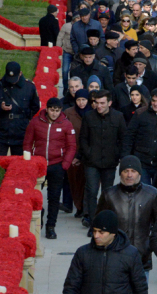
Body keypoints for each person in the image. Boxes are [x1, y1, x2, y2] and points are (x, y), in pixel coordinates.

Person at [96, 156, 157, 278]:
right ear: (120, 173)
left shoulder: (151, 194)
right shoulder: (109, 195)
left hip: (142, 258)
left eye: (133, 171)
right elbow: (98, 225)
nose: (129, 175)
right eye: (125, 171)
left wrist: (150, 245)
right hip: (114, 257)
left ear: (139, 174)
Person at [23, 97, 77, 239]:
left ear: (61, 111)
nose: (54, 113)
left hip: (57, 165)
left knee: (54, 198)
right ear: (47, 109)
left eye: (57, 111)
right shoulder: (35, 123)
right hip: (37, 164)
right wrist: (29, 161)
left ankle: (50, 226)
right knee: (35, 195)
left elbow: (71, 147)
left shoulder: (66, 124)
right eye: (52, 110)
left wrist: (64, 164)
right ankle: (38, 214)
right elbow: (27, 143)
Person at [63, 210, 148, 294]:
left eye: (101, 232)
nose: (96, 236)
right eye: (94, 231)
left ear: (113, 233)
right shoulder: (82, 253)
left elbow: (140, 287)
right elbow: (71, 286)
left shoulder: (131, 254)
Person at [79, 89, 127, 231]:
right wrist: (88, 153)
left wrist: (118, 154)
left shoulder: (118, 117)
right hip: (91, 161)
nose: (99, 106)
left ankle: (104, 224)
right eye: (96, 103)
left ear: (109, 103)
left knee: (108, 194)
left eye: (102, 103)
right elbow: (83, 138)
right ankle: (93, 224)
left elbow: (123, 138)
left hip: (110, 162)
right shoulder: (89, 116)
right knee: (92, 191)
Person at [0, 61, 40, 156]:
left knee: (17, 166)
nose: (12, 81)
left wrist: (24, 118)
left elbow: (35, 106)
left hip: (20, 133)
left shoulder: (29, 87)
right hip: (0, 133)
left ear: (20, 73)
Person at [122, 88, 157, 185]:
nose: (155, 104)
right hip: (142, 161)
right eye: (153, 101)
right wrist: (126, 158)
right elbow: (129, 136)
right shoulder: (140, 113)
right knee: (143, 193)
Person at [64, 88, 90, 218]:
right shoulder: (68, 113)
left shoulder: (92, 112)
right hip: (72, 153)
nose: (81, 103)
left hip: (88, 154)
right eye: (79, 100)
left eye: (84, 99)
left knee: (87, 183)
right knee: (74, 182)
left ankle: (85, 208)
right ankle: (79, 205)